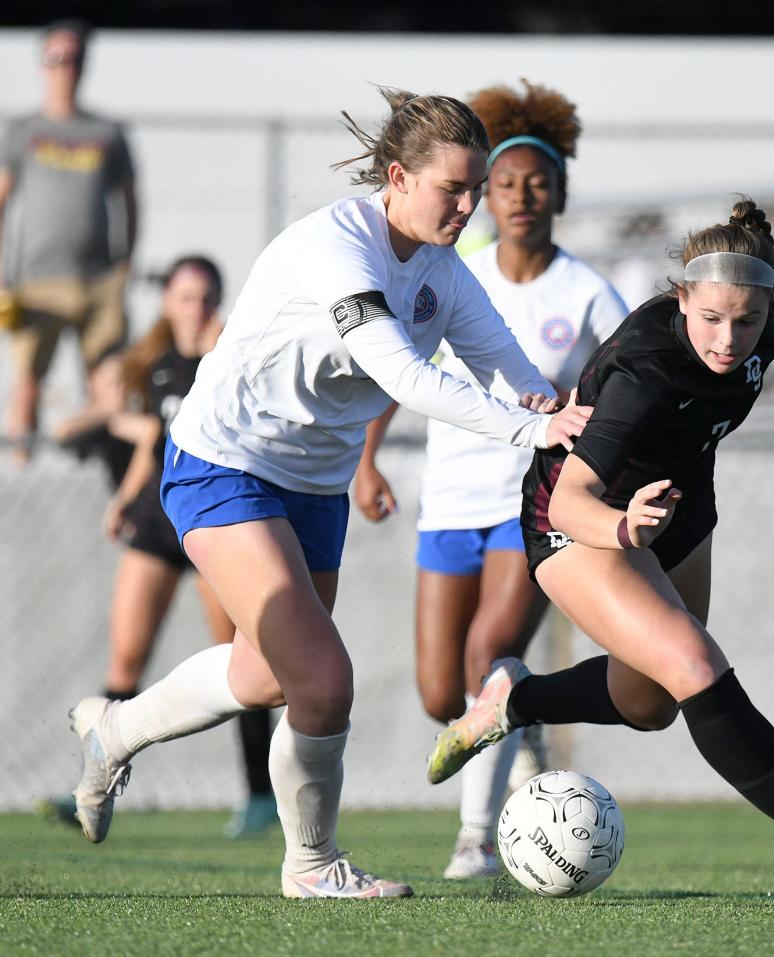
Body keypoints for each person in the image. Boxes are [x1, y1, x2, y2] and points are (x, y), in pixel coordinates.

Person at [66, 88, 591, 900]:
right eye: (453, 188)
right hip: (222, 464)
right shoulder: (336, 247)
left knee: (267, 673)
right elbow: (404, 377)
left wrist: (553, 409)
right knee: (323, 680)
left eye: (474, 188)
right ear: (396, 177)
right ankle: (311, 864)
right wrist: (530, 433)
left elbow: (509, 367)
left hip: (314, 486)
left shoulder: (444, 272)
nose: (468, 205)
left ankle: (114, 730)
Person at [427, 199, 774, 897]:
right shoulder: (644, 371)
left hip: (675, 510)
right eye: (710, 318)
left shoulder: (760, 339)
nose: (728, 338)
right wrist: (622, 529)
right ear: (681, 296)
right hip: (580, 521)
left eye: (746, 319)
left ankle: (516, 698)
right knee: (695, 663)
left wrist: (657, 517)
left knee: (649, 702)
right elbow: (570, 500)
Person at [354, 80, 627, 879]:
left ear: (559, 195)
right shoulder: (449, 274)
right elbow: (394, 370)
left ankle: (474, 838)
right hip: (448, 503)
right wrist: (367, 459)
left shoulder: (585, 290)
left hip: (531, 506)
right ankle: (525, 716)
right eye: (501, 182)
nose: (517, 197)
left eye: (536, 184)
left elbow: (633, 383)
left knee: (487, 650)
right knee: (444, 693)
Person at [43, 256, 277, 838]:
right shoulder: (151, 366)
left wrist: (220, 343)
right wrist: (123, 500)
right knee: (126, 660)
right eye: (184, 296)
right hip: (156, 520)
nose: (194, 307)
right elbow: (146, 438)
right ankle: (92, 783)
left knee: (239, 659)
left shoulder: (232, 356)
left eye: (205, 296)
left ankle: (259, 796)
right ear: (167, 302)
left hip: (215, 521)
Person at [0, 20, 137, 465]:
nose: (65, 69)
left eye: (73, 59)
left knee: (107, 378)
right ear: (43, 65)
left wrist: (125, 262)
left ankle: (100, 466)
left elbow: (130, 200)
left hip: (98, 277)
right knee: (29, 380)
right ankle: (20, 473)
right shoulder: (23, 130)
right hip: (37, 279)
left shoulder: (107, 131)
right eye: (56, 58)